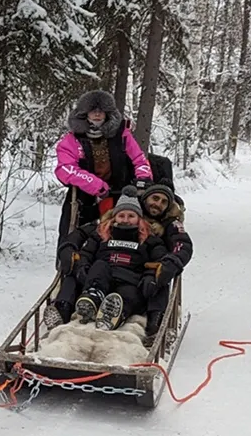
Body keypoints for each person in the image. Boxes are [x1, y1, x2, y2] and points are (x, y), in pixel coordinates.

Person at [54, 90, 152, 240]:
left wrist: (143, 179)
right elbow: (65, 169)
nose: (97, 114)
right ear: (85, 113)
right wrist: (95, 184)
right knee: (71, 234)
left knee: (126, 230)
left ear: (108, 113)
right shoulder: (72, 139)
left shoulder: (122, 135)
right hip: (83, 196)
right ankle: (67, 262)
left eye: (101, 111)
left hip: (121, 192)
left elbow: (139, 159)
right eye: (93, 110)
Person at [72, 187, 166, 331]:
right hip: (103, 279)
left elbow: (159, 261)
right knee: (99, 265)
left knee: (128, 295)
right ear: (114, 217)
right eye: (121, 215)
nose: (126, 220)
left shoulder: (150, 239)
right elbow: (86, 254)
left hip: (131, 282)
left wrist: (149, 278)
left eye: (131, 216)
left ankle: (114, 315)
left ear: (139, 218)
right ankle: (92, 300)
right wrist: (82, 266)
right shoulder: (101, 234)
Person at [138, 183, 194, 336]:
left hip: (153, 267)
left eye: (164, 202)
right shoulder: (129, 212)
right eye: (155, 198)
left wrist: (171, 262)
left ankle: (155, 322)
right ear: (145, 198)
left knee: (159, 278)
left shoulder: (172, 222)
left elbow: (182, 244)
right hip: (126, 261)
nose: (158, 204)